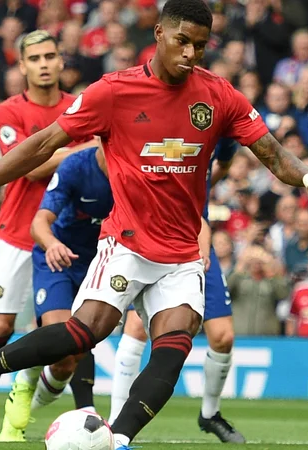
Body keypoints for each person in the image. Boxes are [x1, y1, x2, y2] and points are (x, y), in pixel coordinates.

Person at [0, 1, 308, 448]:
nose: (191, 53)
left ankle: (119, 440)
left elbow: (272, 154)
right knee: (82, 333)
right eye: (182, 41)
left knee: (175, 346)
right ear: (160, 34)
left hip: (183, 252)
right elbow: (41, 145)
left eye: (201, 46)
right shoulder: (113, 92)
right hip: (126, 242)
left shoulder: (219, 96)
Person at [0, 29, 95, 440]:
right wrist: (78, 150)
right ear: (22, 66)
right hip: (18, 230)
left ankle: (74, 411)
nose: (43, 64)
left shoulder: (80, 107)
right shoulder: (9, 111)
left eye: (50, 56)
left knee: (74, 332)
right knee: (1, 325)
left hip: (66, 235)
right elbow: (24, 165)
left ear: (61, 61)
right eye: (34, 58)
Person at [109, 137, 245, 443]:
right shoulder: (162, 136)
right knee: (136, 327)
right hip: (154, 241)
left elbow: (221, 164)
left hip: (197, 242)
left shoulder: (214, 132)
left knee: (223, 337)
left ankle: (210, 414)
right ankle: (116, 419)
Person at [1, 145, 112, 441]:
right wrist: (51, 244)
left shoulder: (140, 169)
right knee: (61, 337)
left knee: (66, 362)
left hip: (103, 263)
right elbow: (39, 223)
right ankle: (24, 385)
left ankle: (33, 401)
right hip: (58, 258)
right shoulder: (76, 166)